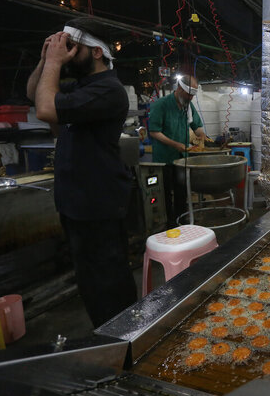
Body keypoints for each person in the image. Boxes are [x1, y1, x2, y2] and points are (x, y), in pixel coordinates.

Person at [27, 18, 137, 328]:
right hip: (76, 203)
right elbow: (34, 94)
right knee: (90, 283)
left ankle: (124, 343)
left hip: (98, 203)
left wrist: (54, 62)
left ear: (97, 52)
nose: (68, 54)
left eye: (74, 48)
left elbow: (46, 110)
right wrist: (45, 58)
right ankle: (106, 340)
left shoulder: (109, 89)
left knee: (109, 283)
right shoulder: (82, 86)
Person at [148, 75, 210, 226]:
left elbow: (197, 126)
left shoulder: (188, 106)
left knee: (182, 192)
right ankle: (169, 224)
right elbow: (154, 131)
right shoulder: (161, 105)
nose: (190, 98)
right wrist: (175, 144)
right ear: (180, 89)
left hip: (182, 158)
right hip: (165, 158)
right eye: (189, 94)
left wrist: (202, 136)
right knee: (166, 194)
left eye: (193, 95)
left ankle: (182, 222)